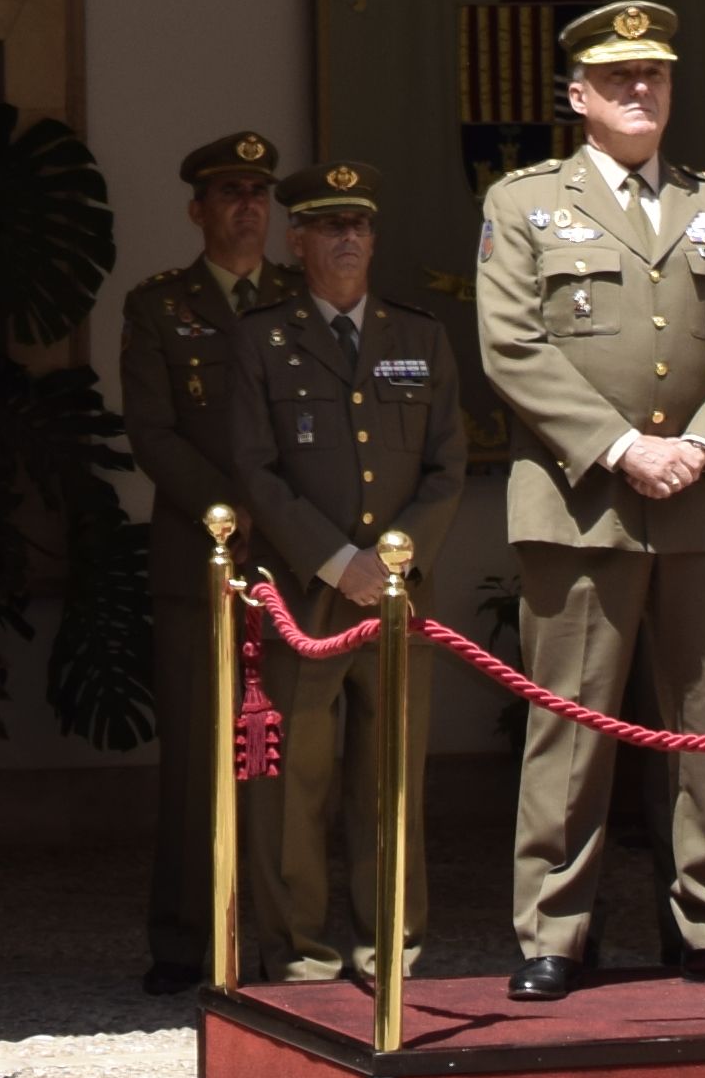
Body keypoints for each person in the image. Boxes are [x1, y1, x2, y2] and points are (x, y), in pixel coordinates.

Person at [474, 0, 705, 1001]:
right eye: (618, 78)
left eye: (654, 74)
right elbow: (511, 345)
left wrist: (704, 443)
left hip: (701, 501)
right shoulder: (522, 204)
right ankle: (554, 933)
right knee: (571, 726)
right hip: (582, 502)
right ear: (578, 97)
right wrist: (619, 448)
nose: (641, 89)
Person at [218, 160, 467, 986]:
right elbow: (255, 469)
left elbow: (446, 467)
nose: (349, 239)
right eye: (330, 226)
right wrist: (336, 560)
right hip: (304, 595)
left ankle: (390, 942)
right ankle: (300, 951)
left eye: (359, 225)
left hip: (397, 598)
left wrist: (393, 563)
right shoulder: (262, 337)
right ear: (298, 241)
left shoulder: (419, 336)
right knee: (296, 785)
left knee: (389, 778)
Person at [114, 129, 294, 997]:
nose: (247, 208)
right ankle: (185, 938)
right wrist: (237, 510)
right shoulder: (160, 307)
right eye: (229, 193)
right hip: (200, 555)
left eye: (258, 193)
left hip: (295, 562)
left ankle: (287, 937)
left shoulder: (299, 297)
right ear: (197, 210)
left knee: (290, 757)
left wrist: (285, 518)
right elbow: (151, 433)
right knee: (197, 759)